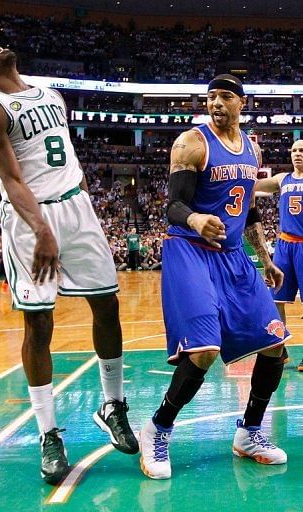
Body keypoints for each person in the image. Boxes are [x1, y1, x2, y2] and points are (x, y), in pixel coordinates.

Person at [0, 42, 138, 485]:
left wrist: (73, 204)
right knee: (39, 324)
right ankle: (48, 434)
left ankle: (112, 406)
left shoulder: (51, 95)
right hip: (30, 218)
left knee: (108, 305)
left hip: (76, 207)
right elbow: (11, 177)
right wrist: (42, 230)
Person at [139, 74, 290, 480]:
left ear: (242, 102)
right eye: (210, 97)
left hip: (234, 255)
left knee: (275, 341)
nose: (216, 103)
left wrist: (265, 257)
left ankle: (250, 432)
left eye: (225, 96)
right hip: (189, 251)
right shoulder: (192, 143)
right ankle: (158, 427)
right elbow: (172, 205)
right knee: (204, 350)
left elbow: (250, 211)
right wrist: (195, 217)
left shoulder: (251, 149)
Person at [255, 139, 303, 372]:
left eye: (302, 150)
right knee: (276, 299)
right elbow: (254, 185)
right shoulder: (283, 179)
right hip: (284, 245)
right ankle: (280, 350)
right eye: (294, 150)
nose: (297, 154)